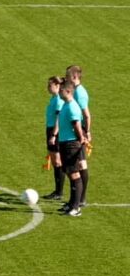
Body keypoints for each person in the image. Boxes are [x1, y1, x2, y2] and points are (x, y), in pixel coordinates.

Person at [55, 81, 87, 216]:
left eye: (61, 89)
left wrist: (81, 139)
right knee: (70, 173)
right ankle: (71, 204)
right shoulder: (66, 105)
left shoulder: (72, 107)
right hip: (65, 143)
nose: (59, 91)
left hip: (71, 144)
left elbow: (77, 126)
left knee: (75, 175)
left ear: (68, 91)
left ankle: (76, 207)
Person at [43, 76, 66, 203]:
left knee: (57, 162)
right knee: (54, 161)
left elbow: (58, 118)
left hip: (54, 131)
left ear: (57, 86)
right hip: (50, 130)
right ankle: (57, 191)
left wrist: (54, 134)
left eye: (50, 85)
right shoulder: (54, 98)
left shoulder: (58, 100)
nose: (47, 88)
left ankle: (59, 192)